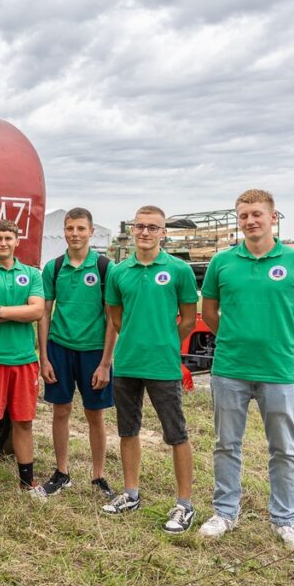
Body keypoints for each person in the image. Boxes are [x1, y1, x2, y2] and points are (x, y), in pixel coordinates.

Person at [198, 189, 294, 555]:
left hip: (279, 371)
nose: (250, 221)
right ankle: (225, 513)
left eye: (256, 214)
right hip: (230, 369)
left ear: (273, 217)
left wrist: (282, 342)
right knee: (226, 445)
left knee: (284, 449)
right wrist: (237, 339)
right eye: (243, 216)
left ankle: (286, 520)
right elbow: (210, 314)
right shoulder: (222, 263)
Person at [102, 205, 199, 534]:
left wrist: (165, 342)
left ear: (164, 232)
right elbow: (116, 317)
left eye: (152, 227)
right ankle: (130, 493)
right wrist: (135, 339)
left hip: (163, 365)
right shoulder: (118, 272)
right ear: (132, 230)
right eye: (139, 226)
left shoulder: (179, 270)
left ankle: (184, 504)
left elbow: (188, 318)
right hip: (127, 362)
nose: (145, 232)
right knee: (128, 430)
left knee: (177, 434)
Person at [38, 207, 117, 499]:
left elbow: (112, 319)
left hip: (93, 352)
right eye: (70, 228)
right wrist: (44, 357)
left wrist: (106, 363)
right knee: (61, 411)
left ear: (91, 232)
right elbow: (44, 313)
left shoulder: (106, 268)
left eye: (81, 229)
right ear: (65, 231)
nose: (75, 234)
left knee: (94, 415)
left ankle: (98, 476)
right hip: (59, 348)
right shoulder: (54, 267)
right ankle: (61, 473)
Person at [0, 219, 46, 504]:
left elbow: (37, 310)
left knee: (23, 421)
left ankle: (28, 481)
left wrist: (1, 311)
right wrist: (19, 310)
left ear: (17, 242)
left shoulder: (31, 274)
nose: (3, 243)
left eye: (8, 238)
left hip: (24, 358)